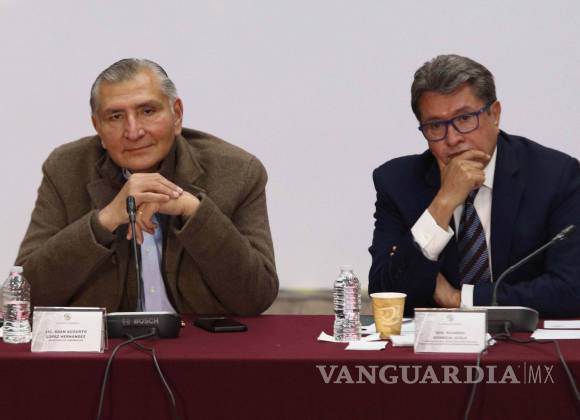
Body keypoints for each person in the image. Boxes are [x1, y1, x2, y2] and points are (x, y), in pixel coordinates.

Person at [16, 58, 278, 315]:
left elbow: (257, 297)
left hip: (199, 340)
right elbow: (24, 297)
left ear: (177, 115)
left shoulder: (238, 171)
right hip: (108, 341)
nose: (133, 132)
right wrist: (104, 221)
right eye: (115, 116)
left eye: (148, 111)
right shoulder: (66, 169)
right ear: (98, 127)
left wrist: (193, 211)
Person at [369, 54, 580, 317]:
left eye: (465, 118)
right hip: (434, 343)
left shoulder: (555, 176)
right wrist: (443, 203)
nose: (453, 138)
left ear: (495, 114)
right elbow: (386, 296)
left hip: (523, 340)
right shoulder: (397, 182)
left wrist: (460, 299)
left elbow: (571, 290)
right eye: (435, 126)